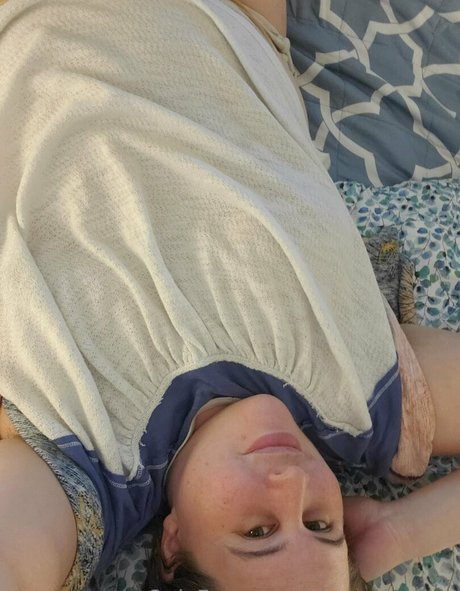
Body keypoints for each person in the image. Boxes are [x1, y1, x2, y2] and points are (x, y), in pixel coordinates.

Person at [0, 1, 459, 590]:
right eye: (321, 524)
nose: (294, 483)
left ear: (172, 546)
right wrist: (396, 533)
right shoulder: (364, 399)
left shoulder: (89, 470)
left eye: (258, 532)